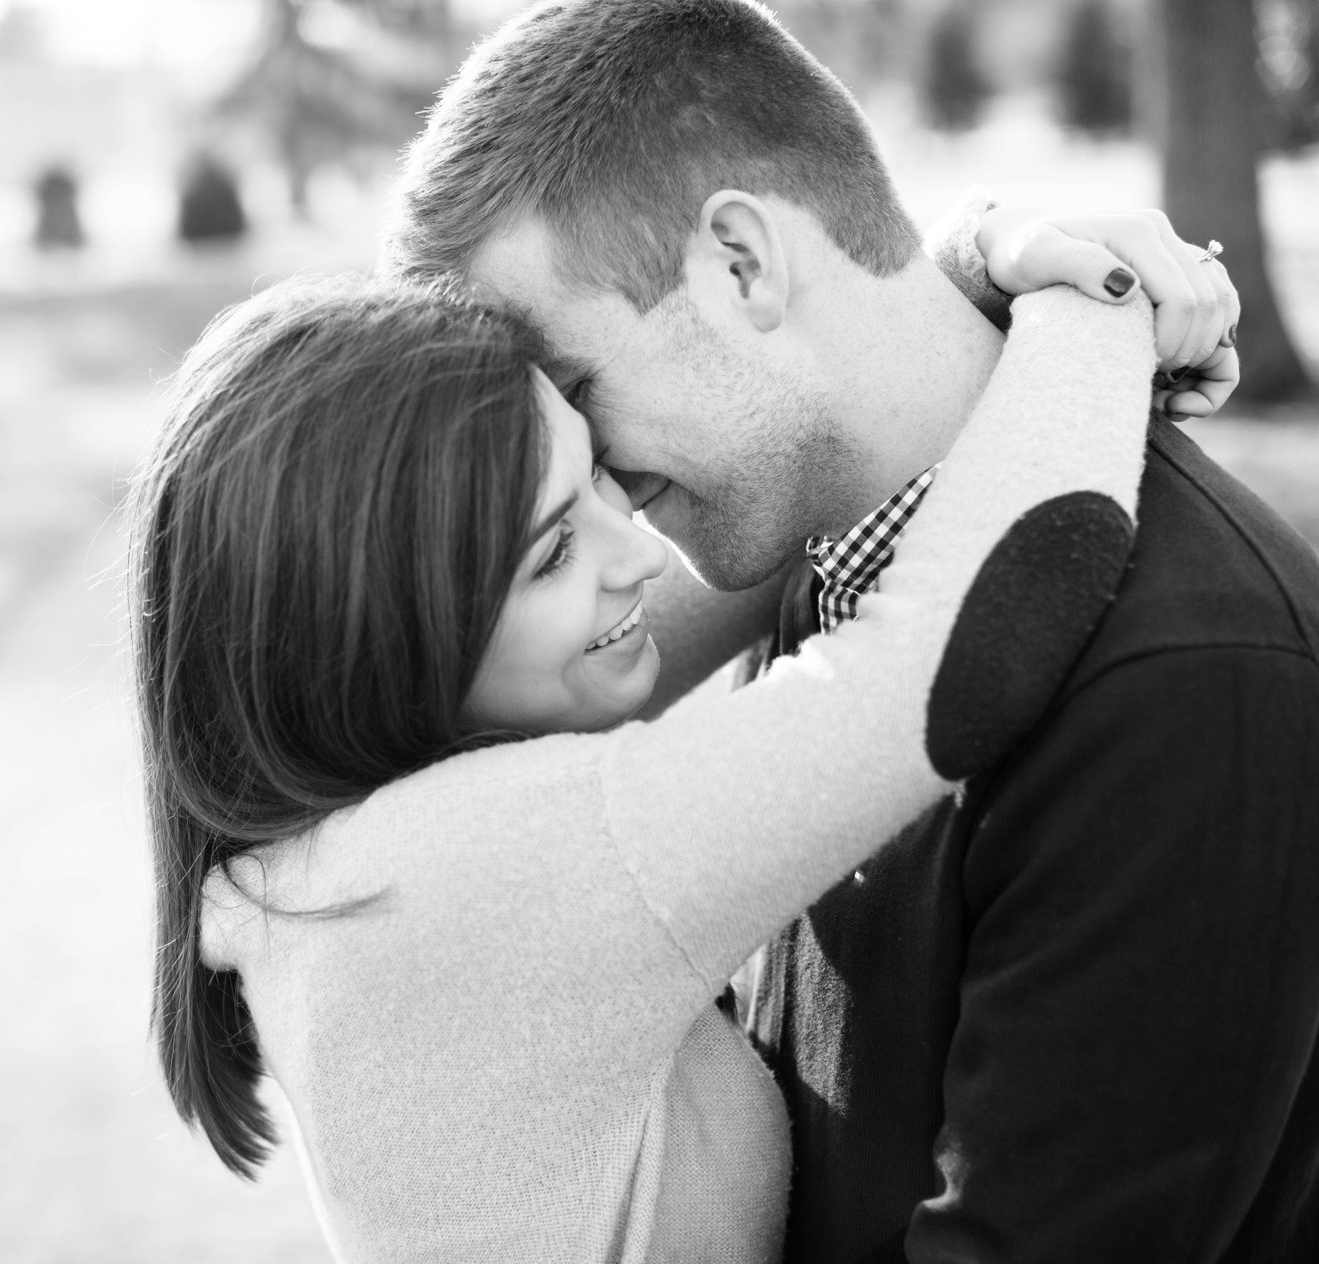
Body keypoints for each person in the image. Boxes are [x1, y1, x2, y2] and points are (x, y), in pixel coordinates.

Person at [383, 1, 1319, 1260]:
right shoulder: (813, 552)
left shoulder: (1185, 688)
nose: (580, 484)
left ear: (741, 264)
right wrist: (998, 258)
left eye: (576, 391)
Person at [137, 202, 1197, 1257]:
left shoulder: (345, 852)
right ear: (385, 648)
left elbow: (772, 519)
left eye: (596, 471)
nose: (638, 554)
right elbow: (953, 660)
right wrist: (1092, 307)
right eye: (553, 553)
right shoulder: (483, 879)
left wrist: (959, 277)